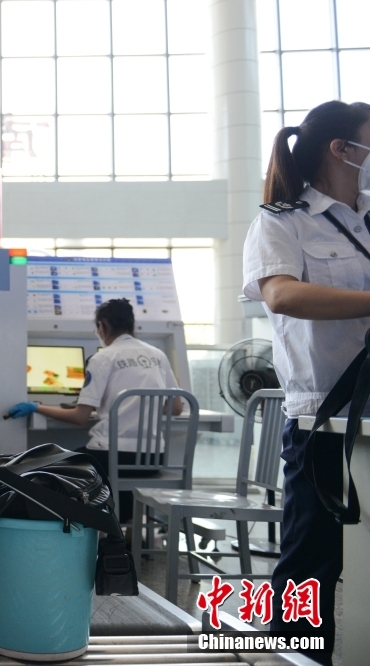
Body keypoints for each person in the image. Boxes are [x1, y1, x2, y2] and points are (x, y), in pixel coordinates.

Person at [242, 100, 370, 665]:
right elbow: (283, 295)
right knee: (312, 563)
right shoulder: (282, 220)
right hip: (323, 416)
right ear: (342, 149)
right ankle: (295, 659)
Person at [7, 298, 182, 522]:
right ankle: (124, 532)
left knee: (51, 466)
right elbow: (176, 408)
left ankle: (79, 531)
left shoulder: (103, 357)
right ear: (132, 324)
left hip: (113, 457)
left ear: (102, 326)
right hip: (152, 459)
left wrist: (38, 407)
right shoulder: (158, 355)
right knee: (112, 474)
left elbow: (80, 417)